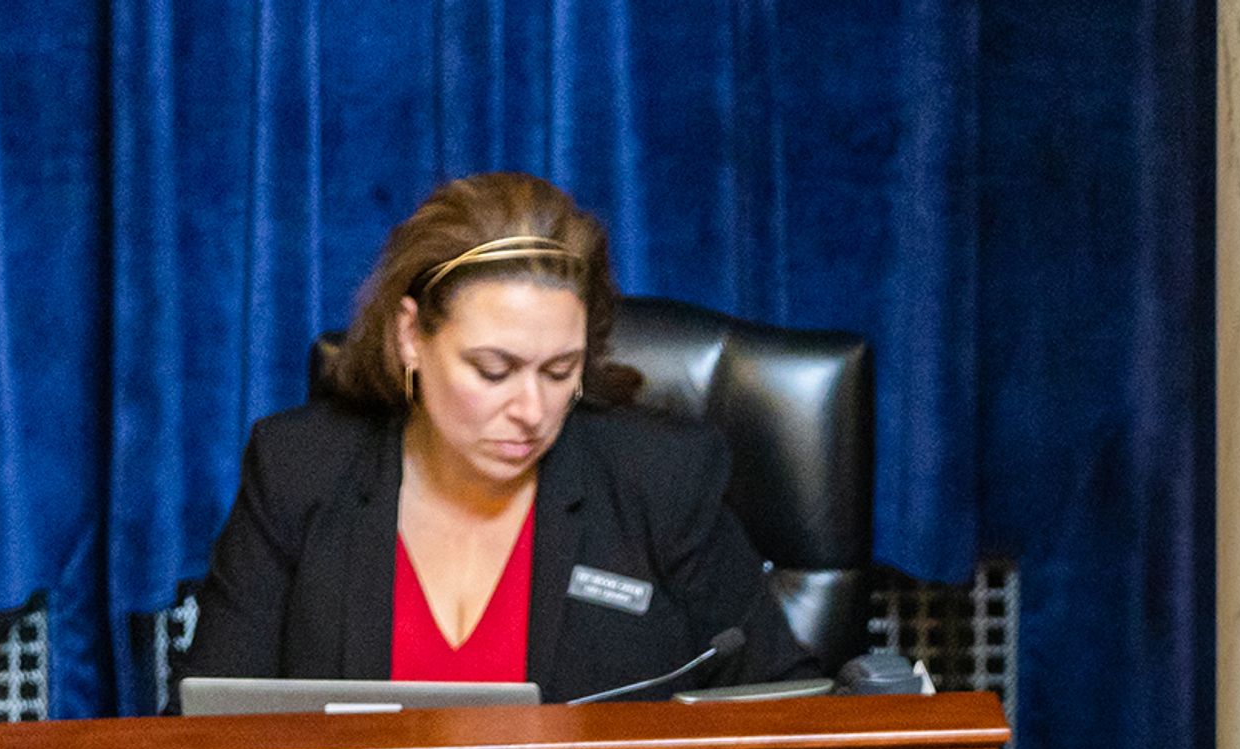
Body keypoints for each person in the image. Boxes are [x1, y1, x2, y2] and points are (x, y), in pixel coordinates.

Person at [179, 171, 807, 702]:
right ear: (410, 338)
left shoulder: (661, 479)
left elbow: (786, 706)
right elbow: (211, 727)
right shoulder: (298, 471)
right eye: (493, 370)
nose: (532, 409)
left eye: (560, 371)